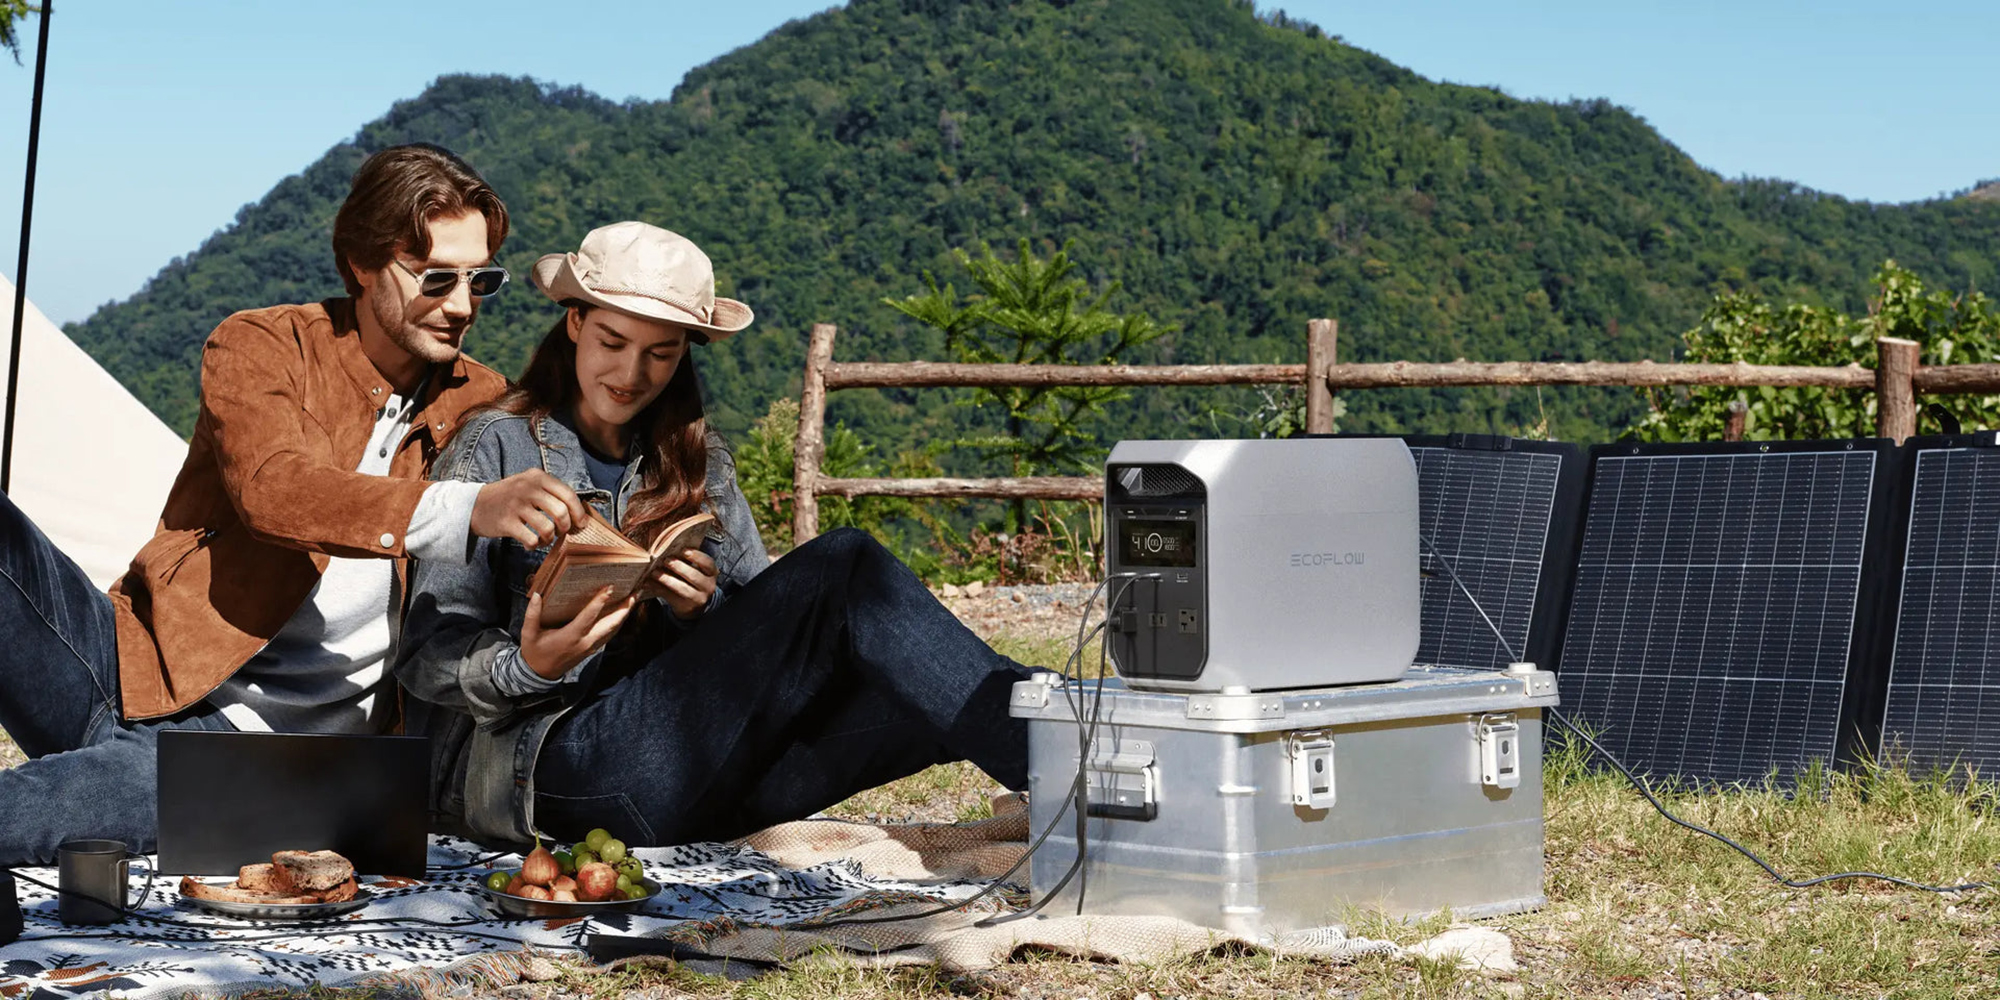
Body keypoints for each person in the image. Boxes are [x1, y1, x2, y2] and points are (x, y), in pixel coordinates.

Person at [0, 143, 595, 865]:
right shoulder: (262, 345)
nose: (463, 305)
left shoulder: (486, 406)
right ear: (362, 264)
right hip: (133, 666)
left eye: (481, 280)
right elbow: (274, 489)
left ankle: (101, 786)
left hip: (262, 761)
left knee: (48, 809)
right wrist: (461, 508)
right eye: (437, 278)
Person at [396, 221, 1035, 848]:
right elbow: (426, 655)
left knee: (939, 692)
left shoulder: (700, 461)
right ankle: (1072, 766)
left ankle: (1092, 749)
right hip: (550, 776)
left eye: (661, 353)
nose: (632, 372)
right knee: (846, 566)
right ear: (574, 325)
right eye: (612, 342)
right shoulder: (497, 448)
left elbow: (783, 641)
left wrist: (701, 610)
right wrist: (527, 667)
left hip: (693, 776)